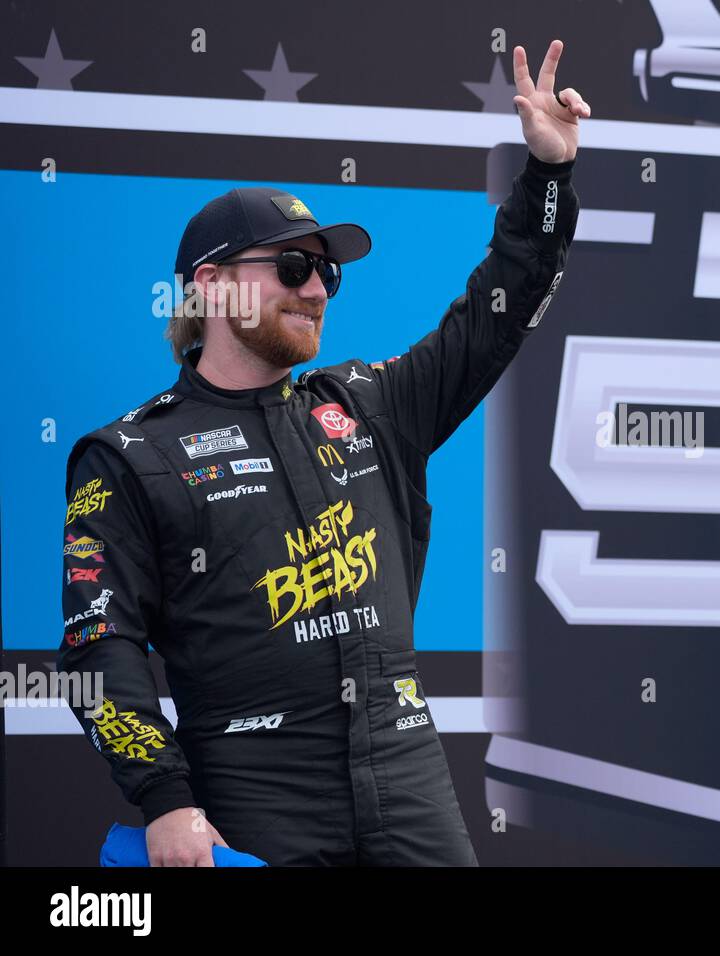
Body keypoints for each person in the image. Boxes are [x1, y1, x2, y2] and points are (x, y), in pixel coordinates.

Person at [56, 40, 587, 866]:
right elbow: (99, 644)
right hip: (257, 791)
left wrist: (546, 179)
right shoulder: (127, 456)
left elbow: (498, 312)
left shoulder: (369, 404)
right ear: (211, 286)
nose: (316, 289)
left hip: (407, 775)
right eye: (296, 266)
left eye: (328, 275)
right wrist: (164, 798)